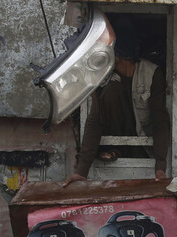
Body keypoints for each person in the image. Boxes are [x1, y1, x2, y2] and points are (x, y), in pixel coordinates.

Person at [64, 30, 170, 185]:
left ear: (119, 55)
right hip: (115, 144)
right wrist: (81, 171)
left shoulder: (152, 73)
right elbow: (95, 120)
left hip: (144, 145)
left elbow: (160, 120)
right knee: (112, 91)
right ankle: (116, 149)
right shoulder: (104, 78)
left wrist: (160, 165)